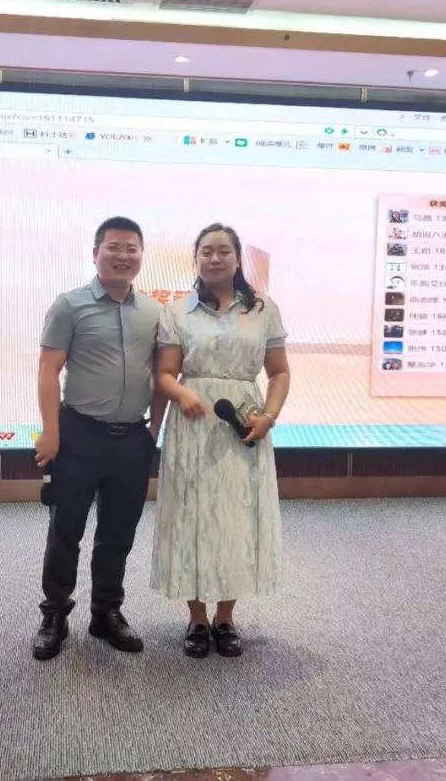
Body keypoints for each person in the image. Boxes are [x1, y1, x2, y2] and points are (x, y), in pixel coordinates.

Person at [151, 223, 291, 658]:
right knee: (190, 516)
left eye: (223, 251)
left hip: (243, 423)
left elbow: (279, 372)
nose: (214, 258)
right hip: (192, 424)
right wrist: (182, 394)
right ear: (195, 259)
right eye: (206, 251)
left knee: (236, 518)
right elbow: (164, 374)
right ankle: (196, 618)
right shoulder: (177, 311)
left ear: (237, 258)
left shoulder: (263, 309)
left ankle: (226, 617)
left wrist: (269, 416)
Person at [32, 216, 166, 662]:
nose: (123, 256)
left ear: (141, 256)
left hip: (132, 441)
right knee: (66, 530)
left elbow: (162, 374)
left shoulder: (154, 313)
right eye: (114, 247)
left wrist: (153, 431)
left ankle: (106, 613)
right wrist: (52, 433)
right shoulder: (69, 305)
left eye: (132, 248)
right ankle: (54, 615)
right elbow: (48, 371)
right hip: (79, 436)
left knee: (117, 533)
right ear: (96, 253)